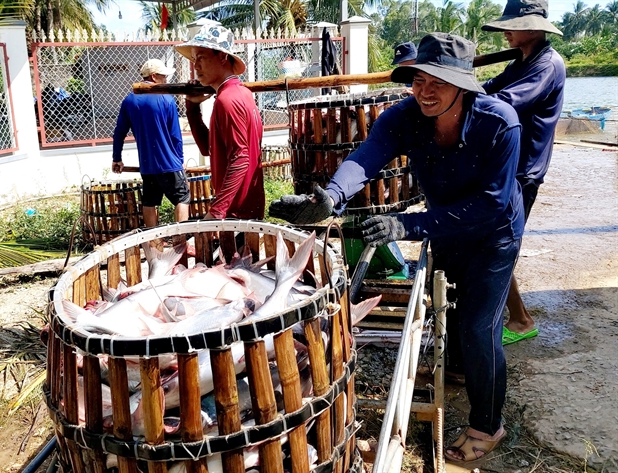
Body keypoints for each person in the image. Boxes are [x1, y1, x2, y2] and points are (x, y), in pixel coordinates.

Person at [270, 33, 524, 463]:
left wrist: (407, 225)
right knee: (457, 308)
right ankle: (462, 371)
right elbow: (368, 155)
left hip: (493, 233)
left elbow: (490, 204)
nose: (425, 91)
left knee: (481, 324)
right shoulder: (404, 116)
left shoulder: (499, 123)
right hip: (445, 223)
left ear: (463, 85)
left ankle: (487, 423)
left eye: (437, 82)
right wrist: (330, 198)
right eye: (418, 79)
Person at [482, 0, 566, 345]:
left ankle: (520, 319)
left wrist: (461, 104)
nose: (507, 31)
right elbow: (491, 87)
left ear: (533, 28)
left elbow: (504, 102)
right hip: (507, 165)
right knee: (493, 240)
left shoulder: (547, 65)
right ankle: (507, 312)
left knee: (500, 243)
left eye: (513, 25)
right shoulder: (523, 61)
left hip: (523, 171)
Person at [175, 25, 265, 221]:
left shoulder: (228, 100)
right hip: (243, 208)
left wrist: (217, 211)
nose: (195, 66)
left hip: (236, 212)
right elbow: (208, 148)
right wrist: (192, 106)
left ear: (223, 57)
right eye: (194, 59)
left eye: (201, 57)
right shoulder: (240, 94)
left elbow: (241, 159)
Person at [112, 59, 190, 227]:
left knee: (150, 202)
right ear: (154, 76)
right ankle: (180, 243)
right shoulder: (166, 99)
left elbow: (119, 133)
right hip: (170, 164)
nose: (166, 80)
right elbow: (176, 136)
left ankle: (153, 246)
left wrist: (116, 158)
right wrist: (180, 160)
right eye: (163, 77)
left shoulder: (129, 101)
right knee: (182, 199)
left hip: (148, 167)